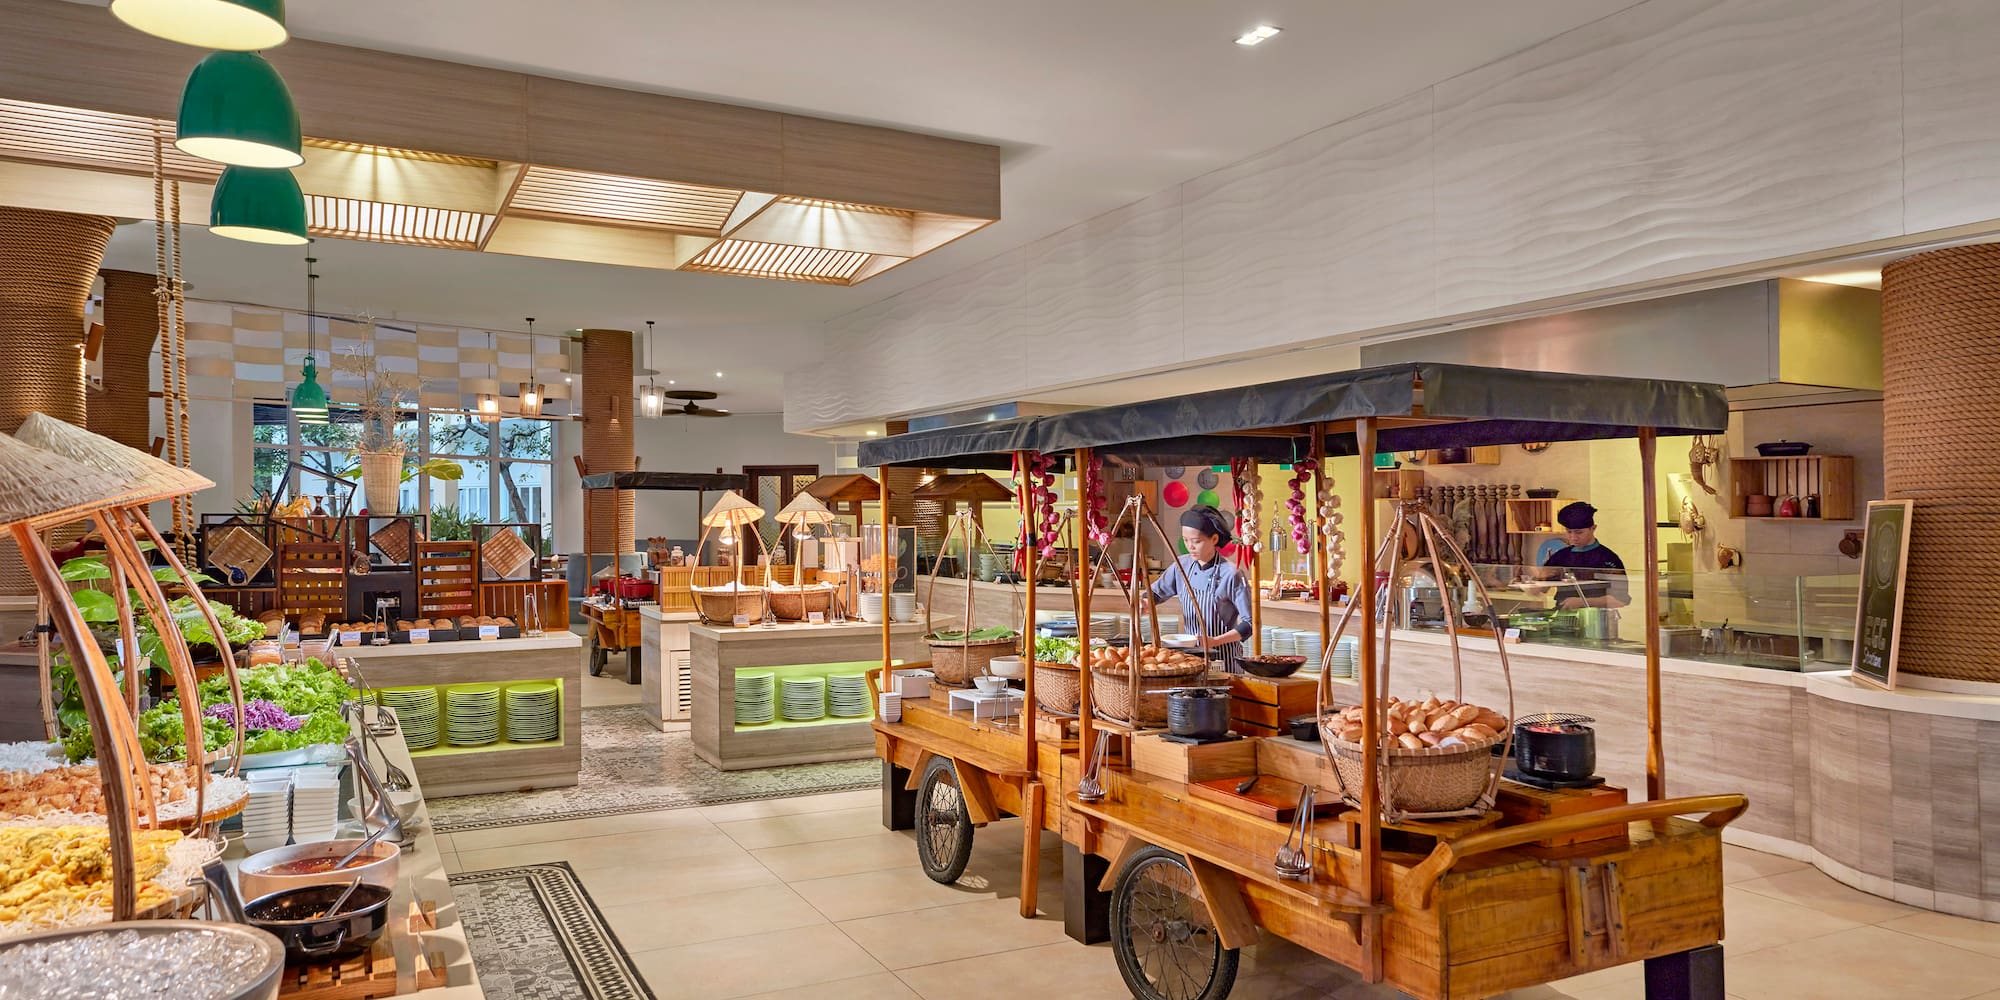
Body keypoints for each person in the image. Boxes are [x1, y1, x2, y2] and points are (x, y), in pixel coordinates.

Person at [1140, 505, 1254, 673]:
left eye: (1196, 541)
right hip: (1191, 660)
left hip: (1224, 660)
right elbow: (1155, 593)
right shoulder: (1181, 565)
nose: (1190, 546)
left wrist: (1214, 641)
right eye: (1186, 540)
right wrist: (1145, 602)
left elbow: (1249, 624)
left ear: (1214, 539)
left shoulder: (1231, 574)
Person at [1541, 501, 1629, 610]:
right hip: (1563, 615)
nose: (1573, 537)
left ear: (1593, 528)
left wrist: (1582, 602)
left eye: (1579, 532)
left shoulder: (1608, 558)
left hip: (1597, 617)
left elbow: (1620, 600)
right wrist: (1532, 580)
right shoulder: (1560, 556)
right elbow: (1540, 588)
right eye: (1569, 532)